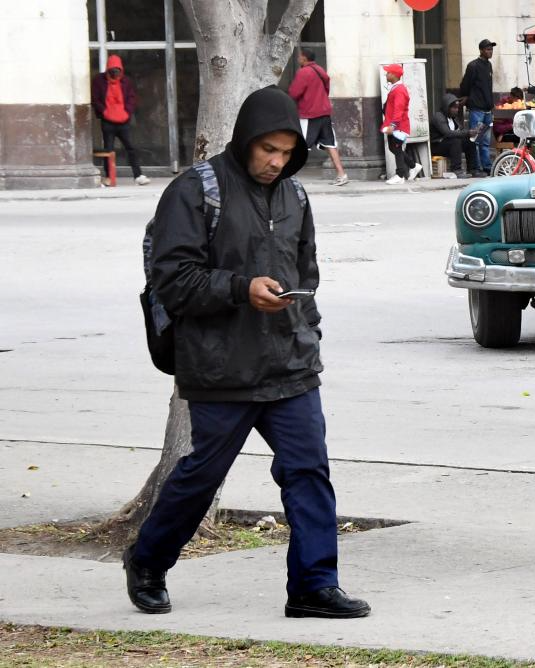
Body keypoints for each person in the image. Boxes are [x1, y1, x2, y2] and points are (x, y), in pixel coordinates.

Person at [123, 86, 370, 620]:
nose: (276, 162)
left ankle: (313, 586)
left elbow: (306, 273)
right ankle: (146, 561)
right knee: (202, 475)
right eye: (267, 150)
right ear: (244, 140)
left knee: (309, 471)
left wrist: (308, 329)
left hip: (291, 364)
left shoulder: (295, 195)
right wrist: (241, 289)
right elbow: (174, 280)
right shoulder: (195, 190)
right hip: (221, 366)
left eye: (287, 153)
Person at [288, 48, 349, 186]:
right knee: (330, 144)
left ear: (304, 58)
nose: (298, 59)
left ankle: (288, 176)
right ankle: (341, 174)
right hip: (324, 112)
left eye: (299, 56)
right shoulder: (320, 70)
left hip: (309, 114)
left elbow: (294, 93)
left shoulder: (303, 72)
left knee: (300, 145)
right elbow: (326, 88)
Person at [91, 54, 150, 186]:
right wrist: (104, 112)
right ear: (108, 70)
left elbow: (131, 98)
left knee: (131, 148)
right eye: (113, 71)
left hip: (123, 122)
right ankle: (109, 177)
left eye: (117, 71)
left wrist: (127, 112)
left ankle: (138, 175)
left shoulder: (126, 81)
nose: (115, 74)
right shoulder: (99, 81)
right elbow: (95, 99)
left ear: (121, 70)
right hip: (108, 121)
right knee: (108, 150)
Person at [459, 39, 496, 177]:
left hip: (487, 110)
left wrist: (491, 106)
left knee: (485, 141)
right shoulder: (473, 66)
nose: (490, 52)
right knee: (475, 139)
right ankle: (475, 167)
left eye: (491, 49)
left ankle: (486, 167)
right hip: (477, 109)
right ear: (481, 50)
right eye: (488, 49)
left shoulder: (489, 65)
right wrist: (466, 97)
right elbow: (465, 84)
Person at [381, 64, 421, 184]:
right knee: (393, 147)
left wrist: (393, 125)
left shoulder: (399, 90)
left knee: (396, 148)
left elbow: (399, 108)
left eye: (388, 72)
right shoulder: (396, 88)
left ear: (394, 75)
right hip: (396, 124)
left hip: (398, 125)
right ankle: (413, 166)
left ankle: (400, 175)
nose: (386, 74)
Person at [430, 93, 477, 178]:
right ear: (447, 107)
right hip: (437, 145)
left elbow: (461, 131)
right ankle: (456, 170)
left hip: (449, 144)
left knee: (470, 142)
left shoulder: (452, 118)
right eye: (454, 108)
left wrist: (472, 132)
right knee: (455, 141)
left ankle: (472, 169)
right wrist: (466, 133)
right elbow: (448, 133)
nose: (456, 110)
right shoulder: (438, 117)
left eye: (457, 108)